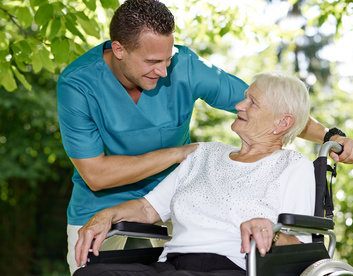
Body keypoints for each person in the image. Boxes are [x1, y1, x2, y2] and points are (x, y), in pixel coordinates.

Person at [57, 0, 353, 274]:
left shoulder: (186, 66)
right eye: (152, 62)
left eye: (168, 58)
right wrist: (180, 154)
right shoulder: (78, 84)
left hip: (207, 246)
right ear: (119, 49)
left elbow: (277, 109)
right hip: (105, 200)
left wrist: (329, 136)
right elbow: (97, 175)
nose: (164, 71)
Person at [73, 71, 317, 276]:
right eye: (244, 98)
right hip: (170, 266)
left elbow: (300, 244)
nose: (238, 106)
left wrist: (270, 233)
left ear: (282, 123)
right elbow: (148, 209)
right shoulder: (204, 154)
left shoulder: (293, 165)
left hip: (234, 268)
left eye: (252, 102)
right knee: (90, 273)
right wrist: (106, 214)